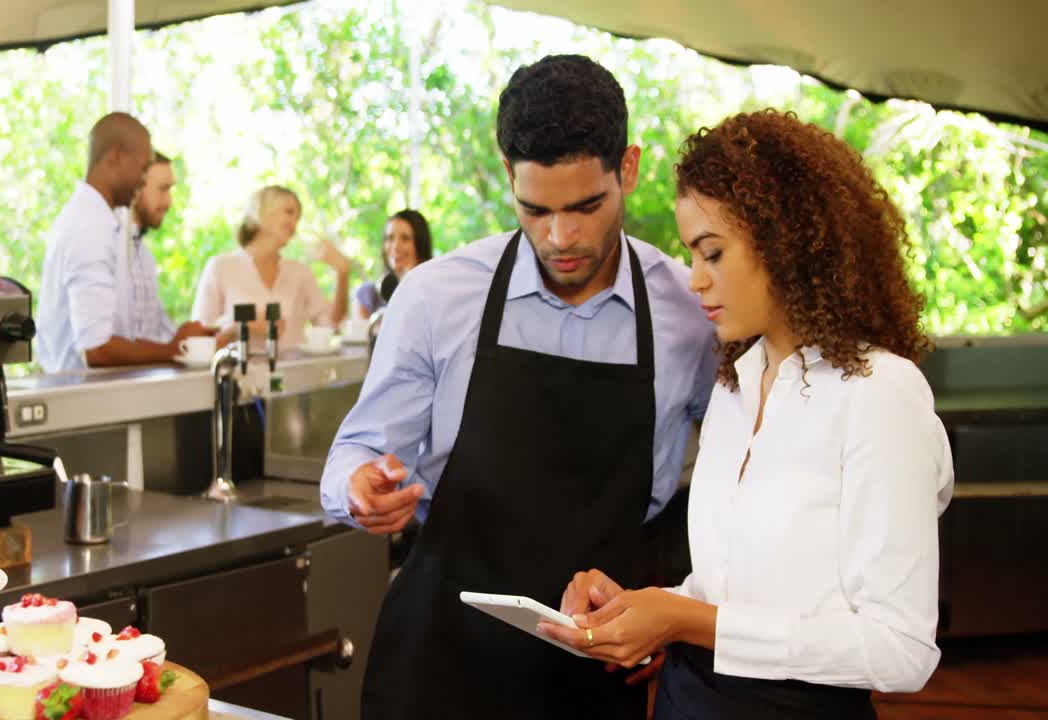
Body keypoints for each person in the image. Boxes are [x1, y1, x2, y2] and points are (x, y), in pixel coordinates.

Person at [319, 55, 718, 719]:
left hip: (592, 669)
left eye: (586, 207)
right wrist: (360, 489)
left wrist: (674, 602)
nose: (561, 238)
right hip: (438, 665)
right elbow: (355, 453)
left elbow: (732, 485)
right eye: (535, 209)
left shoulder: (690, 309)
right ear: (508, 174)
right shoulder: (435, 297)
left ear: (629, 169)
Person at [539, 110, 955, 719]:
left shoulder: (879, 394)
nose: (694, 280)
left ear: (785, 241)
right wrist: (644, 608)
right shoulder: (735, 386)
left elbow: (901, 650)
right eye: (690, 256)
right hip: (686, 701)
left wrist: (688, 620)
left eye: (712, 253)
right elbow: (729, 590)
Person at [36, 114, 213, 373]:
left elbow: (122, 336)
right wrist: (175, 350)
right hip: (80, 402)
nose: (142, 181)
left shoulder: (99, 222)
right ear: (115, 156)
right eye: (142, 169)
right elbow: (97, 349)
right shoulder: (90, 225)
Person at [190, 185, 351, 350]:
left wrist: (343, 273)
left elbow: (331, 326)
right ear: (260, 210)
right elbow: (199, 343)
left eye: (298, 217)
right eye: (289, 212)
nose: (294, 224)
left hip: (293, 374)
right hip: (236, 374)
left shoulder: (300, 273)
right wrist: (240, 326)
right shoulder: (220, 268)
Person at [354, 209, 433, 318]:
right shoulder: (368, 294)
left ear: (420, 245)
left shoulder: (433, 293)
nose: (395, 246)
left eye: (405, 238)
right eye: (390, 238)